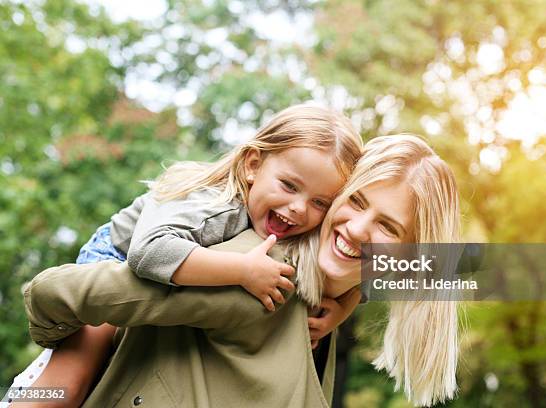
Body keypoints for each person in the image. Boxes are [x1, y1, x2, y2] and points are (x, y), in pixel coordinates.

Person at [20, 134, 461, 407]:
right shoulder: (260, 275)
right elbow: (57, 291)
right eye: (357, 203)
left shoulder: (328, 298)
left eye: (387, 226)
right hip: (123, 252)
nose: (359, 229)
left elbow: (486, 269)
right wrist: (63, 349)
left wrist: (345, 306)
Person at [4, 104, 363, 407]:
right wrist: (241, 270)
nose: (299, 208)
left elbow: (375, 266)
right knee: (67, 384)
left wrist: (343, 307)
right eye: (289, 186)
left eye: (320, 202)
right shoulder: (212, 206)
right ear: (253, 165)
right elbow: (148, 253)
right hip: (117, 254)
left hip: (168, 265)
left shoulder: (298, 228)